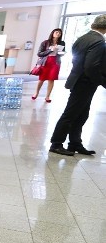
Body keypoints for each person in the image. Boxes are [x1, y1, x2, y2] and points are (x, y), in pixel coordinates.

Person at [48, 15, 106, 156]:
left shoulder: (83, 38)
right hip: (85, 82)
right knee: (71, 114)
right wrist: (102, 81)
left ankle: (75, 143)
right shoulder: (98, 41)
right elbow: (91, 66)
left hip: (78, 79)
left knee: (81, 114)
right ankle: (56, 143)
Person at [31, 28, 65, 102]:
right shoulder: (45, 42)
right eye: (56, 32)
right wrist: (50, 50)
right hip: (46, 62)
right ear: (52, 33)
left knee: (51, 79)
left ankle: (47, 96)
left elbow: (62, 53)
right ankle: (36, 93)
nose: (58, 34)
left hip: (55, 63)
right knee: (41, 79)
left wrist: (62, 53)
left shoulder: (62, 43)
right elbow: (39, 53)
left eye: (59, 33)